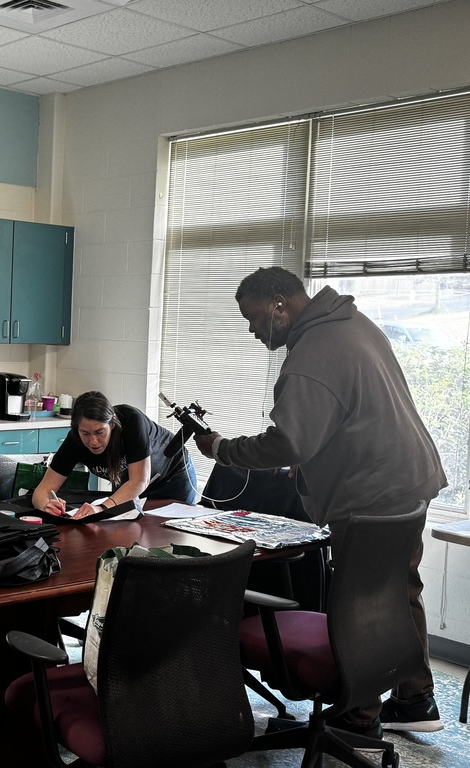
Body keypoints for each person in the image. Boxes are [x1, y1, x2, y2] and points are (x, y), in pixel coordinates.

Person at [193, 266, 447, 736]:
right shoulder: (351, 323)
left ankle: (358, 717)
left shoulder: (312, 351)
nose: (251, 330)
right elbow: (353, 412)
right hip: (410, 480)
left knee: (359, 605)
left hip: (370, 494)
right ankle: (416, 698)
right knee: (395, 591)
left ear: (279, 305)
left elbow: (288, 442)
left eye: (253, 318)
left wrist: (223, 448)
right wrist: (315, 458)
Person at [31, 390, 198, 518]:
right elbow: (42, 490)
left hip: (172, 477)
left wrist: (101, 508)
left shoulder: (132, 421)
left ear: (112, 423)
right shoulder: (74, 440)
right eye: (85, 433)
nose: (93, 441)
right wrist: (46, 505)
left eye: (99, 432)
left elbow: (140, 480)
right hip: (130, 485)